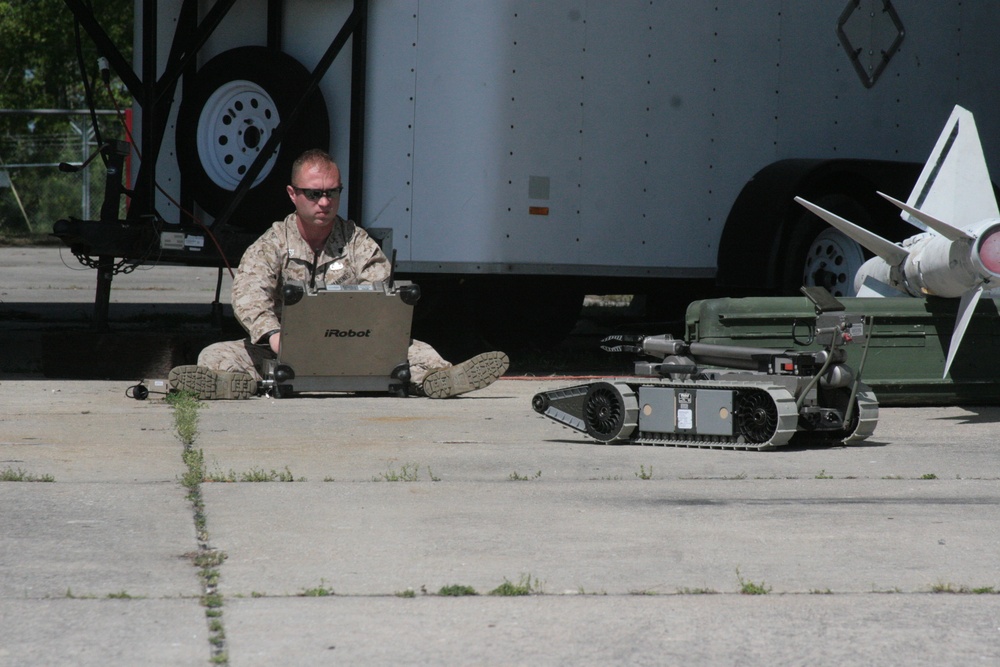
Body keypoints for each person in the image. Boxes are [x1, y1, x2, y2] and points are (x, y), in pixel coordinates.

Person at [168, 149, 508, 399]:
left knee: (422, 353)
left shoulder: (357, 241)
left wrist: (372, 338)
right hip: (282, 350)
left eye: (332, 192)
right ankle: (240, 384)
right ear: (292, 194)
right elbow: (248, 295)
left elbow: (383, 299)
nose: (324, 202)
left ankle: (439, 379)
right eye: (314, 194)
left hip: (352, 345)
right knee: (214, 355)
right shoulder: (272, 243)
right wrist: (274, 336)